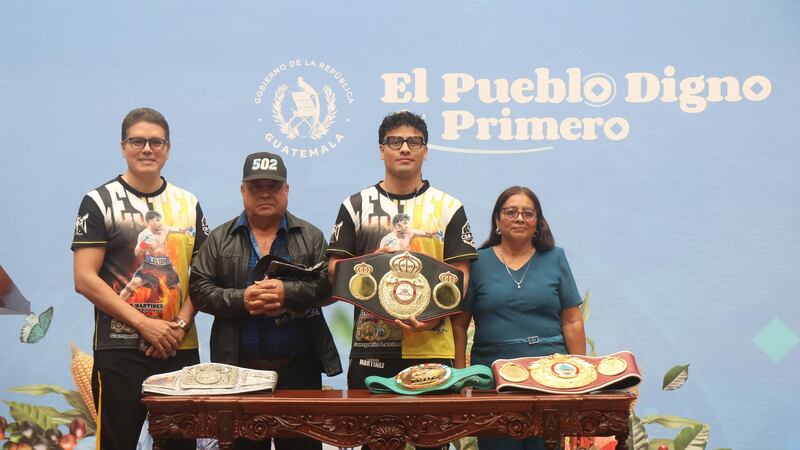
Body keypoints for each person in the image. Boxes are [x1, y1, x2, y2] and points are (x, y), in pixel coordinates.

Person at [326, 111, 478, 450]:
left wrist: (430, 317)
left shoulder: (449, 208)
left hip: (432, 344)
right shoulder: (355, 206)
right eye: (395, 141)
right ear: (382, 150)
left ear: (426, 150)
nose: (404, 148)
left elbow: (462, 276)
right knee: (373, 443)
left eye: (414, 141)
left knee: (432, 444)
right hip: (372, 345)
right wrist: (374, 301)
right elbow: (336, 269)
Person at [72, 107, 208, 450]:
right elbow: (85, 279)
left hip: (179, 348)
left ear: (168, 148)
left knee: (181, 446)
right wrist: (144, 325)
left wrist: (177, 326)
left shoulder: (188, 203)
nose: (147, 149)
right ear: (123, 146)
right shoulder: (99, 201)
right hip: (119, 349)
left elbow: (204, 277)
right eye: (137, 141)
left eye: (155, 142)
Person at [189, 151, 341, 450]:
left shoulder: (310, 236)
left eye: (273, 186)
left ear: (286, 190)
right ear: (243, 190)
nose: (265, 193)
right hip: (238, 372)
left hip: (300, 370)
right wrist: (242, 299)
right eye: (256, 186)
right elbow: (199, 290)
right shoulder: (219, 239)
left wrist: (287, 293)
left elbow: (328, 286)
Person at [452, 186, 586, 450]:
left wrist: (581, 376)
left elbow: (572, 320)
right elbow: (458, 325)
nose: (520, 218)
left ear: (538, 222)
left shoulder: (555, 258)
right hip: (493, 381)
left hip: (550, 380)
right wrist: (461, 377)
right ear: (498, 220)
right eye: (511, 212)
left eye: (528, 213)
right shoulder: (476, 262)